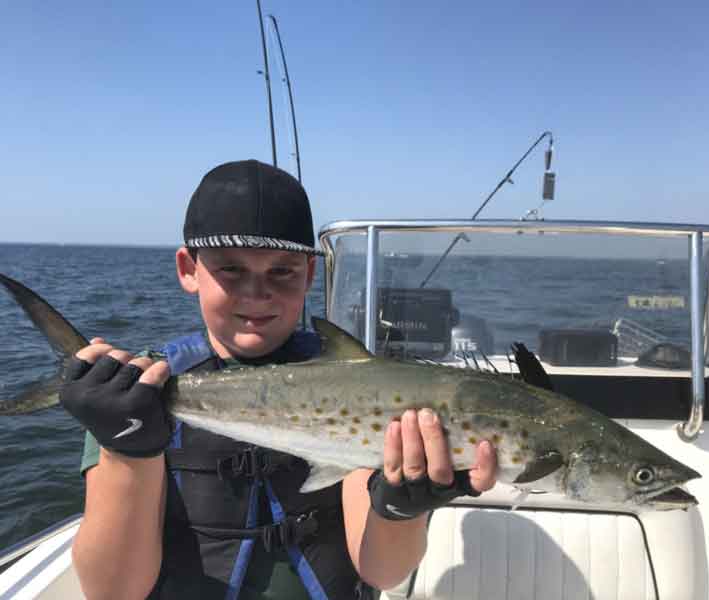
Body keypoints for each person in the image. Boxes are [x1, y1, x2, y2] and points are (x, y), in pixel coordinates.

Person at [60, 159, 499, 600]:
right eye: (231, 269)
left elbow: (382, 573)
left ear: (310, 274)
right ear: (188, 269)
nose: (257, 292)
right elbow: (112, 591)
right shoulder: (139, 391)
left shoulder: (362, 390)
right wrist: (124, 449)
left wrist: (399, 507)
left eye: (282, 271)